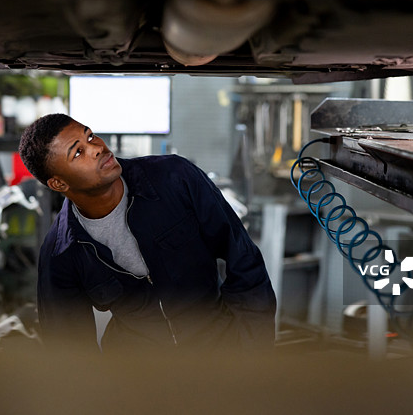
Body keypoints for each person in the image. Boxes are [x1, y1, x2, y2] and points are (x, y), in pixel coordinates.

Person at [19, 113, 276, 353]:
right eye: (78, 152)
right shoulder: (61, 252)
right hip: (138, 376)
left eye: (89, 136)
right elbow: (68, 350)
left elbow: (243, 259)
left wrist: (252, 346)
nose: (97, 148)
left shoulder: (175, 178)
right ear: (59, 183)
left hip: (218, 348)